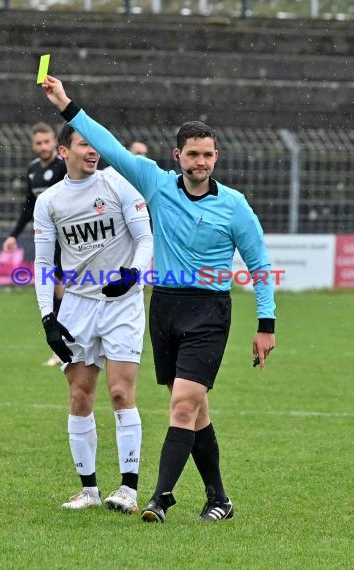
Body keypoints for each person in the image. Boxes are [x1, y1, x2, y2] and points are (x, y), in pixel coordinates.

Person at [41, 75, 276, 523]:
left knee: (183, 404)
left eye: (208, 154)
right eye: (193, 154)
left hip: (209, 309)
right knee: (196, 409)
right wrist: (67, 107)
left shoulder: (236, 205)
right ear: (178, 157)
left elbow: (260, 264)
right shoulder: (156, 184)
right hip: (165, 308)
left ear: (216, 158)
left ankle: (158, 498)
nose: (201, 161)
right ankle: (219, 499)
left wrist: (266, 324)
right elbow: (108, 146)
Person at [33, 122, 153, 512]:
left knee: (121, 393)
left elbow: (145, 237)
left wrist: (133, 273)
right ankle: (89, 491)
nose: (93, 151)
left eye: (95, 145)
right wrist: (48, 318)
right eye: (84, 144)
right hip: (78, 306)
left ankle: (129, 491)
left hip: (122, 303)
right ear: (64, 152)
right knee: (79, 395)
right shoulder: (49, 201)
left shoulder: (118, 184)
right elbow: (41, 263)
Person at [2, 122, 66, 366]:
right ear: (33, 145)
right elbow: (29, 206)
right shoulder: (32, 170)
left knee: (61, 288)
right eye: (38, 143)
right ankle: (63, 346)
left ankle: (67, 345)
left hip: (68, 238)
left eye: (47, 141)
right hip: (46, 239)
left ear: (54, 142)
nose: (43, 147)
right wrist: (13, 235)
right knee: (54, 288)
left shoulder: (63, 166)